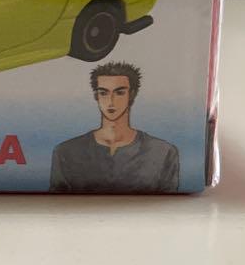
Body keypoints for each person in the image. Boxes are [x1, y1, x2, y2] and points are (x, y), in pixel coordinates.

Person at [49, 62, 180, 193]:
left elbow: (170, 203)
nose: (111, 101)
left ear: (132, 95)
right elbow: (56, 202)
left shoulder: (163, 152)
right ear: (96, 96)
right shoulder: (65, 152)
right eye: (103, 93)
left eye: (119, 93)